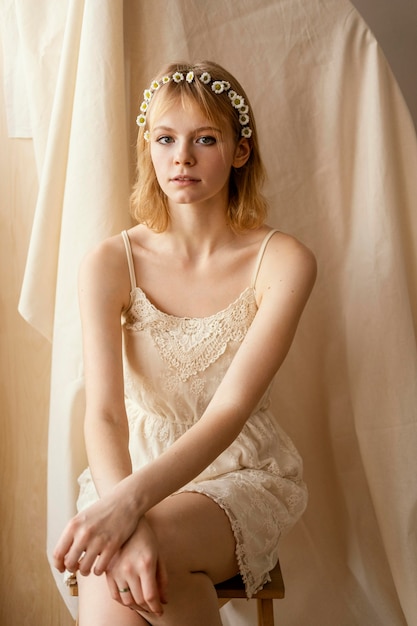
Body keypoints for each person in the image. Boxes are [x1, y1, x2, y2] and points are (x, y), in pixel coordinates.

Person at [53, 60, 317, 626]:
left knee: (133, 559)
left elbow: (230, 412)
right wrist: (121, 499)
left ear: (239, 152)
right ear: (148, 148)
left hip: (239, 471)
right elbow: (103, 414)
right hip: (129, 467)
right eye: (166, 139)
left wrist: (128, 510)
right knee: (123, 571)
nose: (183, 157)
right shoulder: (109, 262)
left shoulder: (283, 260)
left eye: (205, 139)